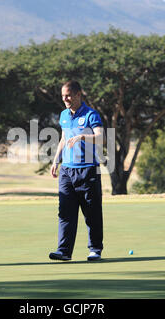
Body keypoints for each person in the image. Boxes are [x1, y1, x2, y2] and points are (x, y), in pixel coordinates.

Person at [49, 80, 104, 261]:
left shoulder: (91, 115)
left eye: (69, 95)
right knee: (65, 212)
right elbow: (64, 138)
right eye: (63, 96)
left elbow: (100, 137)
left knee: (91, 211)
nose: (65, 99)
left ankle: (95, 249)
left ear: (79, 94)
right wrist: (56, 160)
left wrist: (82, 136)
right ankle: (64, 251)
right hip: (67, 171)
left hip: (87, 170)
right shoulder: (64, 115)